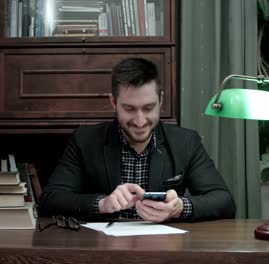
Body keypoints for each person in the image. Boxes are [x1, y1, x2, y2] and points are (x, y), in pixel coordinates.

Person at [38, 57, 236, 222]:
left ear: (161, 100)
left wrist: (179, 207)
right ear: (113, 102)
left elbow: (224, 201)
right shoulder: (85, 141)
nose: (140, 121)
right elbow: (50, 200)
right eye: (129, 109)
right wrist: (102, 204)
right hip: (102, 251)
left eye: (148, 108)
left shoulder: (186, 142)